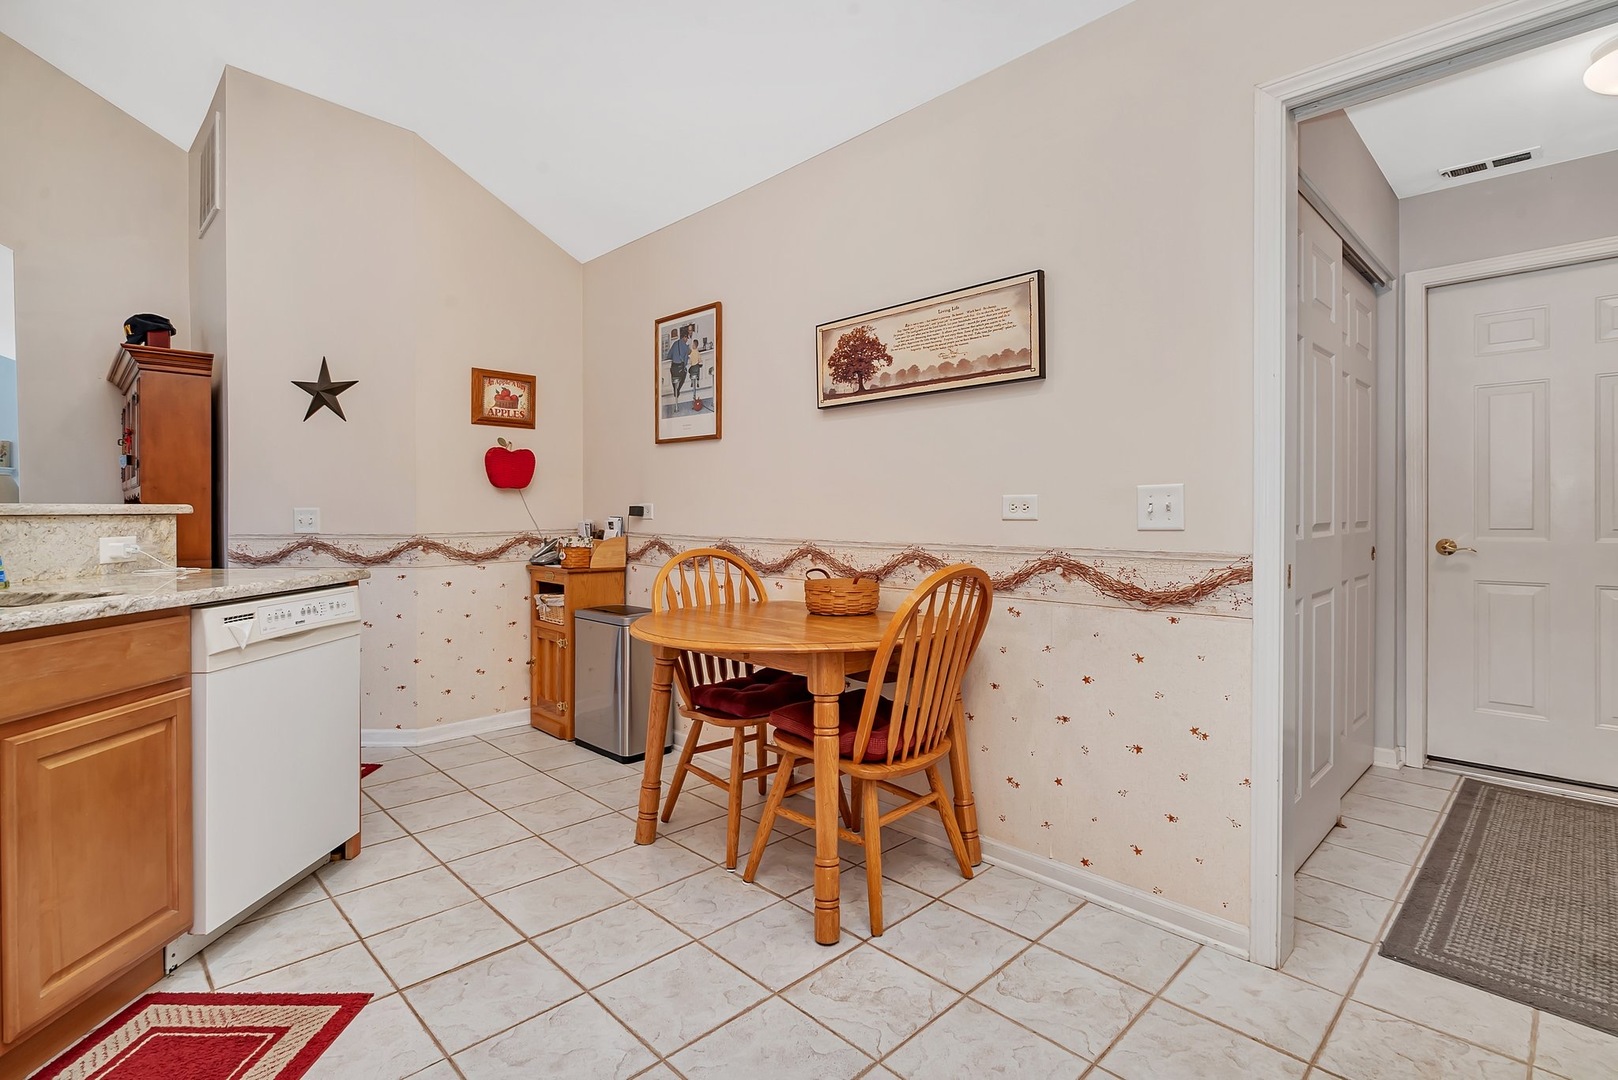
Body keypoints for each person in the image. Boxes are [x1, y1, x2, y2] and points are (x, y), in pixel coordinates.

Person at [666, 326, 690, 408]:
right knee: (684, 373)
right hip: (680, 369)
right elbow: (686, 361)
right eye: (687, 338)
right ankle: (678, 390)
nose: (687, 340)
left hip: (673, 368)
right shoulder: (686, 347)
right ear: (685, 337)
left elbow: (669, 355)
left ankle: (675, 389)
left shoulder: (675, 343)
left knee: (674, 377)